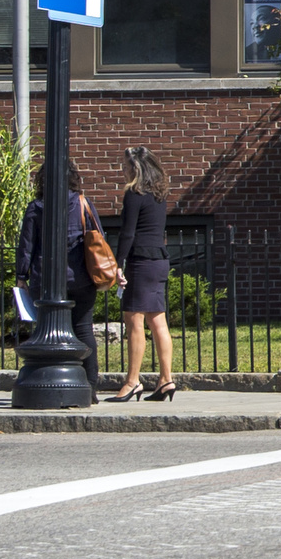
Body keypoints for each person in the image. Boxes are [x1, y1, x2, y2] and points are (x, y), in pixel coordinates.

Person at [111, 146, 177, 403]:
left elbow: (128, 233)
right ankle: (166, 379)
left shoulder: (133, 193)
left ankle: (132, 382)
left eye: (125, 166)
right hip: (159, 260)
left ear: (135, 168)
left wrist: (118, 263)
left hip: (141, 261)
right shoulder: (159, 194)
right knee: (158, 321)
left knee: (134, 320)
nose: (123, 170)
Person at [16, 155, 95, 337]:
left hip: (44, 278)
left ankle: (49, 365)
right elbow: (97, 238)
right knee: (83, 329)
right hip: (80, 277)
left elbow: (26, 245)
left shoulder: (35, 207)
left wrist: (21, 276)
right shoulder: (83, 203)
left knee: (46, 329)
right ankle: (88, 367)